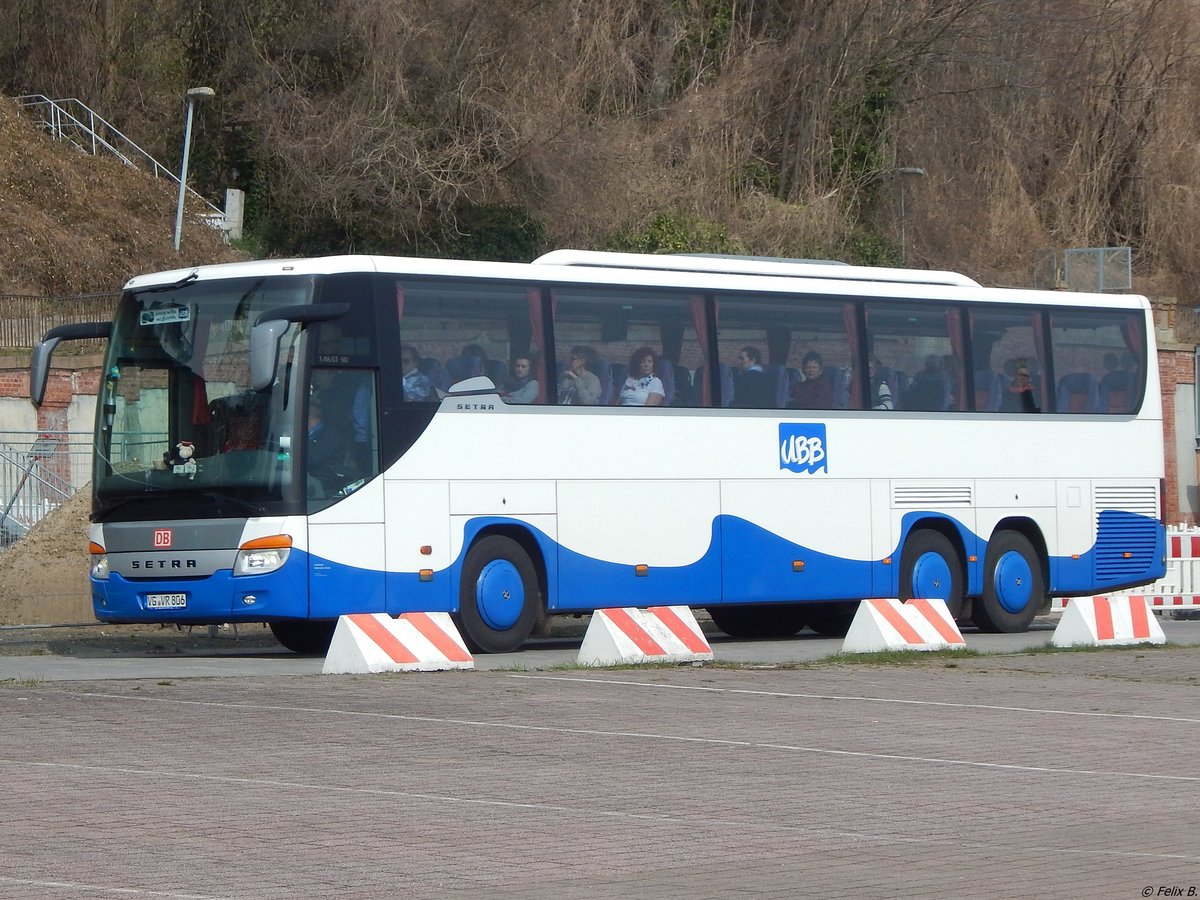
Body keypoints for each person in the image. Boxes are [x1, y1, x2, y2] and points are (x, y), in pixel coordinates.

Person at [306, 394, 349, 496]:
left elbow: (313, 459)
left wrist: (290, 456)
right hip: (309, 479)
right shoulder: (308, 434)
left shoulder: (330, 435)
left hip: (325, 482)